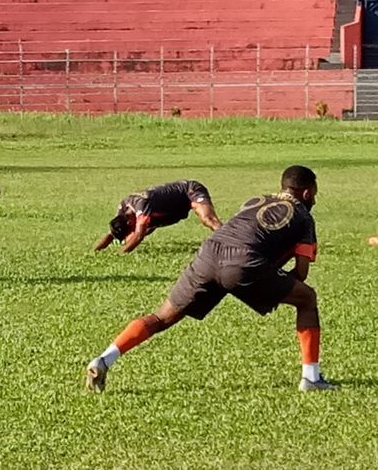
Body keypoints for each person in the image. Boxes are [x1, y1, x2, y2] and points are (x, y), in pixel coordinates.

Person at [86, 165, 339, 393]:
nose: (313, 199)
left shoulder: (256, 200)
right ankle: (311, 378)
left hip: (208, 253)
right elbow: (302, 273)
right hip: (243, 263)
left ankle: (104, 359)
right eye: (314, 195)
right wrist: (273, 286)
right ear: (307, 194)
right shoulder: (304, 217)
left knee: (161, 317)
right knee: (307, 299)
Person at [94, 180, 222, 254]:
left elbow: (139, 234)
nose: (130, 233)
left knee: (208, 220)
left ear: (129, 222)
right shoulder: (122, 211)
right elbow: (111, 233)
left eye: (129, 231)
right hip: (173, 210)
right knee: (132, 239)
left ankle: (231, 240)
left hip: (190, 191)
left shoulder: (141, 205)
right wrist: (95, 251)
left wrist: (121, 254)